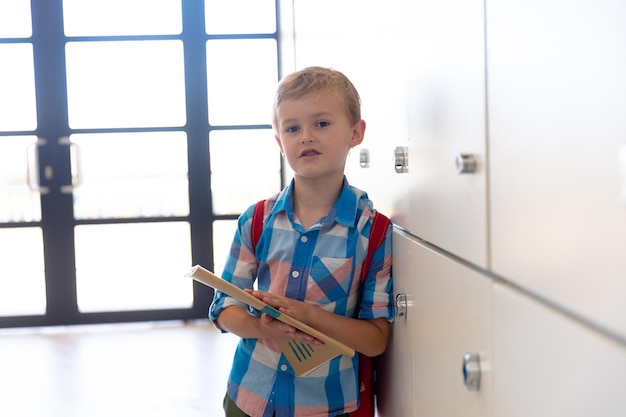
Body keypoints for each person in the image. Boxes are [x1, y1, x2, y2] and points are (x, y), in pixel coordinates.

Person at [209, 66, 394, 417]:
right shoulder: (257, 220)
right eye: (292, 128)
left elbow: (375, 339)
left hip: (324, 406)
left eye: (321, 123)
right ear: (280, 142)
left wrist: (308, 315)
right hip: (249, 398)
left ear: (356, 133)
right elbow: (223, 308)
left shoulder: (372, 233)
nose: (306, 136)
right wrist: (258, 325)